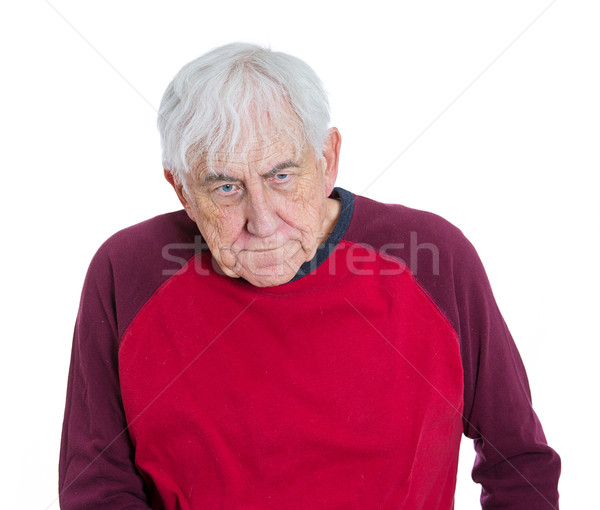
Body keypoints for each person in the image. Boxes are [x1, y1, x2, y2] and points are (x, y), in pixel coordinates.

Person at [59, 42, 560, 509]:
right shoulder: (126, 272)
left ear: (327, 160)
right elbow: (97, 487)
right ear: (182, 189)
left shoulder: (433, 259)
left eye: (281, 176)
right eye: (227, 187)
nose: (263, 221)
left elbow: (517, 461)